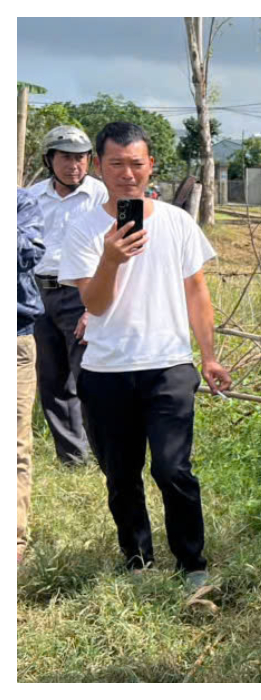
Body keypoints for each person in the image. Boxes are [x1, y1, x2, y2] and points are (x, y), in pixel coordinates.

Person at [58, 122, 232, 589]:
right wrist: (111, 257)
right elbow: (93, 305)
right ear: (98, 166)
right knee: (121, 474)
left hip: (169, 366)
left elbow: (196, 291)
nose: (127, 174)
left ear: (151, 165)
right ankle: (137, 561)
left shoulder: (176, 222)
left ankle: (193, 566)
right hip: (106, 370)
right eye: (115, 164)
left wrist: (209, 357)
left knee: (173, 469)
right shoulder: (82, 228)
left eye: (136, 163)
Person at [29, 125, 108, 466]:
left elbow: (117, 253)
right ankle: (73, 458)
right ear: (49, 160)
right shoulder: (29, 197)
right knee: (52, 378)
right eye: (65, 158)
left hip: (82, 293)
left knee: (89, 377)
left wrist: (94, 307)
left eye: (80, 158)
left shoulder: (104, 197)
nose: (73, 165)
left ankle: (108, 454)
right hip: (37, 295)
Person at [17, 188, 47, 567]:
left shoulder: (21, 202)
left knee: (13, 443)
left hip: (15, 336)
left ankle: (13, 541)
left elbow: (27, 253)